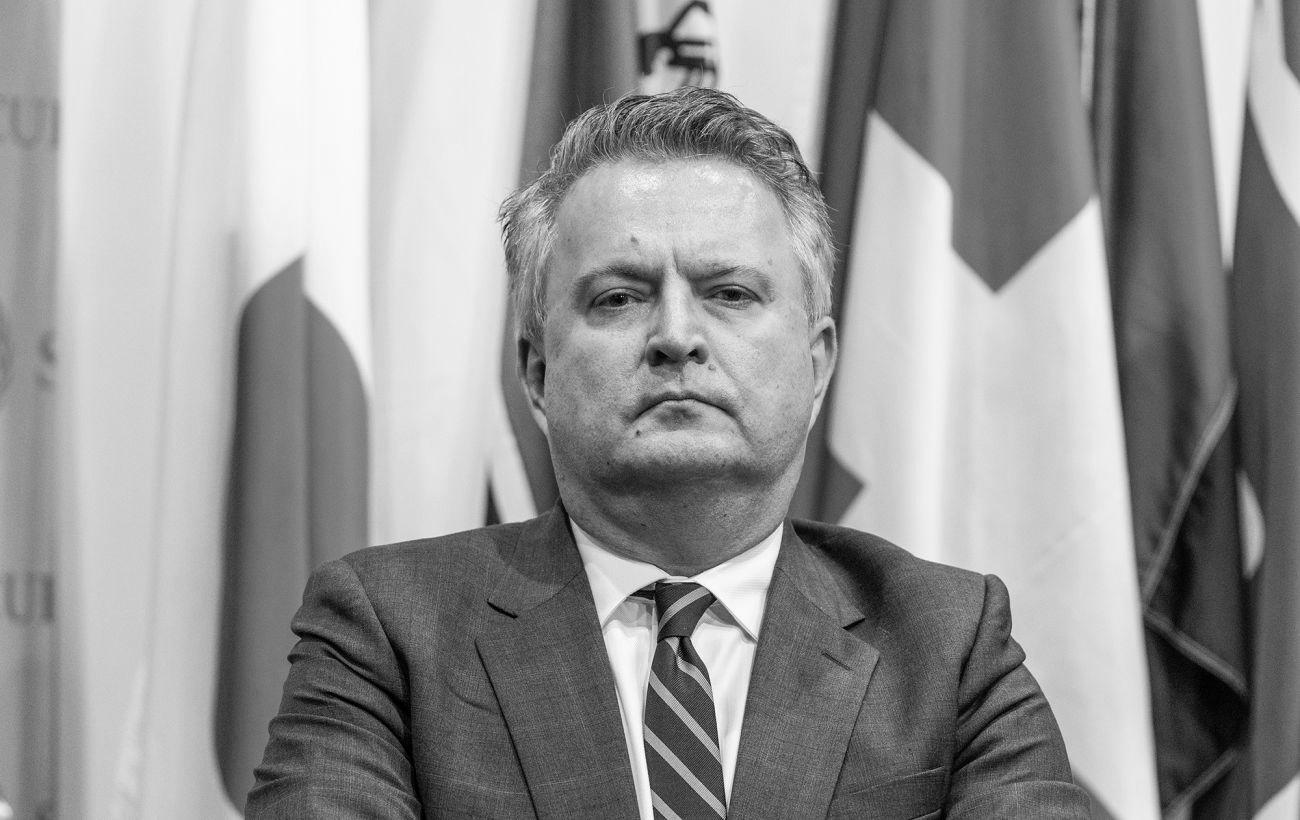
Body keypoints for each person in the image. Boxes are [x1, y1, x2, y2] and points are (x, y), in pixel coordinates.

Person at [248, 87, 1089, 818]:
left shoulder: (946, 642)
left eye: (730, 293)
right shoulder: (388, 631)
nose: (677, 336)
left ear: (817, 363)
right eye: (620, 298)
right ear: (537, 374)